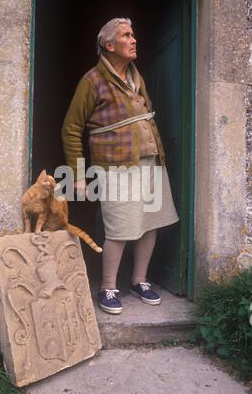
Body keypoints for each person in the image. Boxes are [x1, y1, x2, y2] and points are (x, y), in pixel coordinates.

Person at [61, 18, 179, 315]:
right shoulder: (92, 81)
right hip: (115, 166)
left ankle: (140, 281)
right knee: (119, 227)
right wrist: (77, 175)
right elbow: (71, 129)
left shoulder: (137, 77)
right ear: (109, 45)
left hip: (150, 161)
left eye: (133, 34)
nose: (134, 39)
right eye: (127, 35)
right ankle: (108, 287)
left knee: (150, 222)